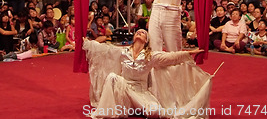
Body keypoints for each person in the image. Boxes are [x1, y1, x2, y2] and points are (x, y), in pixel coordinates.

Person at [83, 29, 212, 119]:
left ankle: (135, 108)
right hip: (124, 90)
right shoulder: (123, 52)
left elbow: (171, 57)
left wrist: (189, 53)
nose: (140, 32)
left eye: (143, 33)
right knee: (112, 77)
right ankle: (108, 113)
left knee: (154, 111)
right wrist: (87, 43)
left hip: (140, 93)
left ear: (146, 40)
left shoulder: (151, 56)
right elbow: (105, 49)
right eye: (137, 32)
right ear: (133, 38)